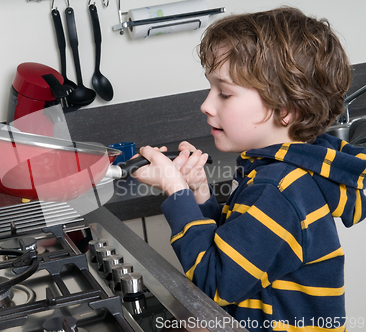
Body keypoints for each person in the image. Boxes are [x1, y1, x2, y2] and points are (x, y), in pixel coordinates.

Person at [133, 6, 366, 332]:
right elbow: (238, 249)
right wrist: (199, 192)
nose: (206, 104)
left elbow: (215, 281)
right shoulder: (282, 170)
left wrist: (176, 190)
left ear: (285, 111)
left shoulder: (279, 190)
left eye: (224, 93)